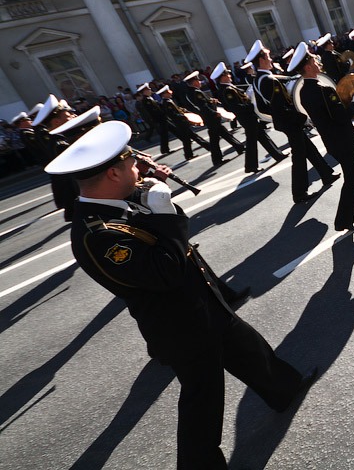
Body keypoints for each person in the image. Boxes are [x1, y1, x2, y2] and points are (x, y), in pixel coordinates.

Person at [45, 121, 317, 469]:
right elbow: (165, 271)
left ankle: (284, 388)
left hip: (199, 304)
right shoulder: (97, 233)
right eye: (130, 164)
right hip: (179, 326)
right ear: (113, 174)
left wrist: (158, 204)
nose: (137, 168)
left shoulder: (116, 202)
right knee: (201, 401)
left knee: (247, 348)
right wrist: (163, 213)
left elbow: (175, 237)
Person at [292, 43, 354, 231]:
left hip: (332, 141)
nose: (316, 62)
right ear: (307, 67)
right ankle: (343, 221)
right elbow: (341, 116)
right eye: (312, 61)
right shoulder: (324, 90)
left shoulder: (303, 92)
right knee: (352, 177)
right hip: (342, 139)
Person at [248, 40, 338, 203]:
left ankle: (326, 174)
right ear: (261, 60)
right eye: (267, 56)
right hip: (289, 122)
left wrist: (280, 116)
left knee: (308, 148)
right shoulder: (269, 80)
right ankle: (299, 193)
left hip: (285, 122)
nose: (270, 59)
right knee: (299, 157)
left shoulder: (258, 80)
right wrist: (301, 117)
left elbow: (263, 107)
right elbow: (281, 107)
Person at [211, 62, 285, 173]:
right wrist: (251, 106)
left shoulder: (228, 88)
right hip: (246, 118)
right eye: (227, 74)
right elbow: (235, 107)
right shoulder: (227, 90)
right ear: (223, 77)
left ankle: (277, 155)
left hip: (248, 117)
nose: (230, 76)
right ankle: (251, 166)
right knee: (251, 143)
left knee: (263, 136)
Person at [183, 70, 245, 166]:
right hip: (210, 117)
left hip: (209, 117)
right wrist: (214, 112)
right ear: (194, 82)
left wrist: (212, 101)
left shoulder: (191, 92)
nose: (200, 82)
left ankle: (239, 147)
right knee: (215, 139)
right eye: (198, 80)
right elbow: (203, 106)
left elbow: (203, 103)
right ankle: (217, 159)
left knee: (223, 133)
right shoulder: (196, 92)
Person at [158, 85, 211, 161]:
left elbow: (176, 110)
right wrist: (184, 116)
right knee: (190, 139)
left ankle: (195, 152)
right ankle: (206, 148)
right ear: (163, 94)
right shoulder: (166, 102)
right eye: (168, 92)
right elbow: (173, 114)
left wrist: (183, 111)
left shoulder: (168, 101)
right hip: (180, 123)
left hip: (181, 122)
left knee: (190, 138)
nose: (170, 93)